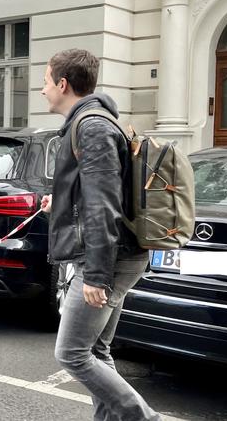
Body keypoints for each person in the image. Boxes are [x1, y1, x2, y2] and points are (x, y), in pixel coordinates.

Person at [39, 49, 159, 421]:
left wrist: (96, 274)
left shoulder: (92, 126)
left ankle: (145, 419)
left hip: (111, 258)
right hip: (119, 253)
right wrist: (59, 202)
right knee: (98, 352)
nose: (42, 90)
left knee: (72, 353)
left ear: (62, 84)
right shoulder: (96, 121)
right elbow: (98, 192)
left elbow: (103, 205)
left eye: (45, 81)